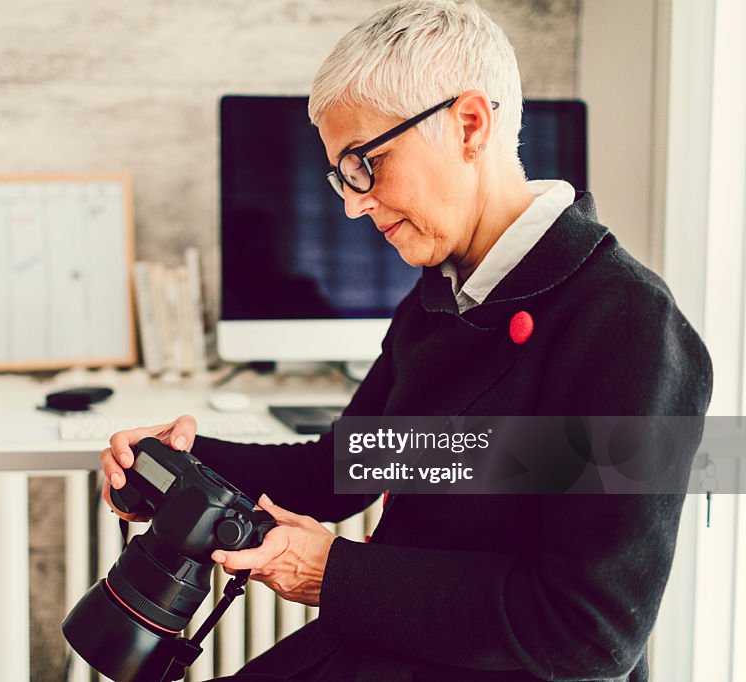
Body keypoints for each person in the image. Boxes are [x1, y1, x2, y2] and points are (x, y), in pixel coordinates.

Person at [100, 1, 713, 680]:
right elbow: (345, 469)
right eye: (342, 174)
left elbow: (587, 633)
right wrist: (184, 461)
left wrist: (333, 575)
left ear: (470, 124)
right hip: (392, 649)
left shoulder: (627, 325)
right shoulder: (443, 296)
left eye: (367, 162)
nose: (352, 203)